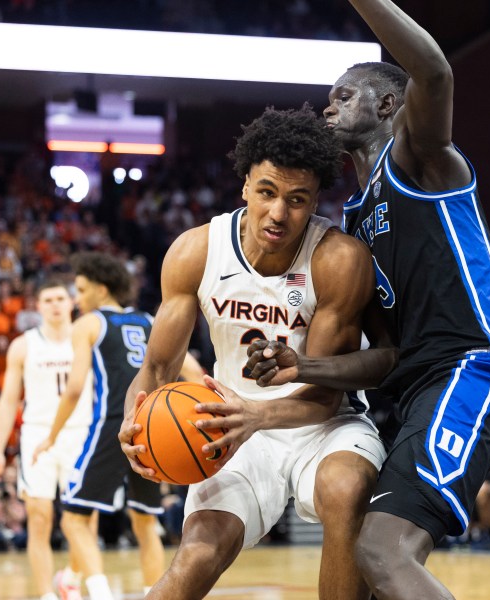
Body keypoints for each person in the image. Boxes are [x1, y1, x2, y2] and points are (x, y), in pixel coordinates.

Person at [246, 2, 490, 599]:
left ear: (386, 106)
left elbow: (433, 72)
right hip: (415, 387)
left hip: (476, 367)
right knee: (368, 565)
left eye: (344, 95)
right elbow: (385, 353)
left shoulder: (419, 160)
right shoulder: (349, 226)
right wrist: (302, 366)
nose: (329, 107)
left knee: (383, 550)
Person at [119, 105, 392, 600]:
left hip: (321, 424)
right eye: (267, 192)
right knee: (198, 555)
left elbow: (326, 396)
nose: (279, 213)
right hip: (230, 421)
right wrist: (133, 419)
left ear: (314, 202)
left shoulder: (339, 259)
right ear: (245, 184)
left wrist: (256, 414)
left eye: (297, 199)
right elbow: (157, 367)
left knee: (346, 491)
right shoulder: (196, 251)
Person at [32, 253, 169, 600]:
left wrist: (51, 436)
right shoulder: (149, 320)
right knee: (145, 523)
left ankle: (99, 593)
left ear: (101, 289)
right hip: (152, 427)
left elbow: (76, 387)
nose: (75, 299)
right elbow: (191, 370)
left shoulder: (89, 323)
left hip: (113, 425)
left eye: (80, 290)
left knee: (73, 518)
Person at [0, 280, 93, 600]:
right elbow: (8, 401)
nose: (55, 304)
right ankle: (47, 593)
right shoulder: (24, 345)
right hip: (37, 435)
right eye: (48, 300)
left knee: (85, 520)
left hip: (81, 434)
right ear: (38, 305)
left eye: (60, 298)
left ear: (71, 300)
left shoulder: (87, 337)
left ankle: (71, 578)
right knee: (39, 517)